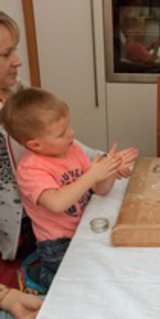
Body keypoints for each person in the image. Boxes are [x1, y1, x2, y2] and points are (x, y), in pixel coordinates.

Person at [0, 87, 125, 290]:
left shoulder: (72, 149)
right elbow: (57, 203)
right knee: (74, 284)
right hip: (56, 243)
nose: (71, 134)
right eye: (61, 133)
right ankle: (41, 273)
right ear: (36, 145)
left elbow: (100, 190)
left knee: (108, 266)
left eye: (69, 127)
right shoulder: (30, 168)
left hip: (83, 228)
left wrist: (108, 170)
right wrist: (92, 174)